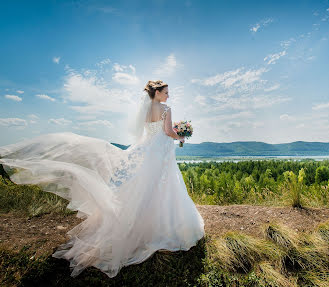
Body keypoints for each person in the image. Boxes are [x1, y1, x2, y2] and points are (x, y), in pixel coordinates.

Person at [0, 80, 205, 278]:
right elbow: (168, 131)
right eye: (166, 91)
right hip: (160, 153)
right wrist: (180, 136)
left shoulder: (146, 109)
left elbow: (147, 133)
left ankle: (138, 227)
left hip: (147, 150)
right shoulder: (166, 109)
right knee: (163, 188)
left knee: (142, 189)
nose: (168, 95)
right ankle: (162, 228)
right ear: (158, 93)